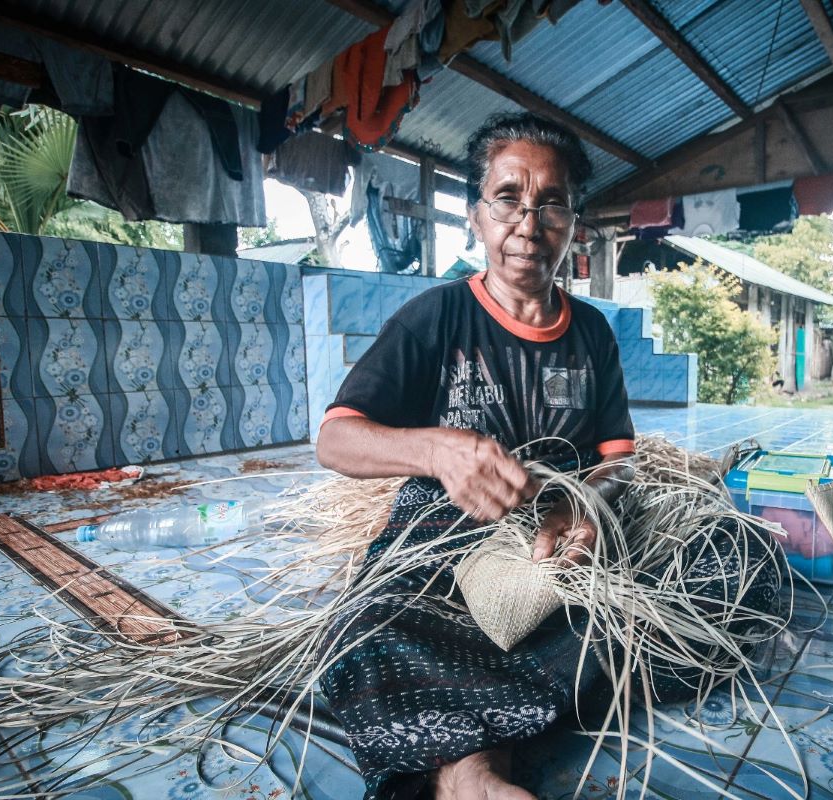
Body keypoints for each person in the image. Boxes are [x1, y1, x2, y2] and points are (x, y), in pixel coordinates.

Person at [315, 113, 776, 800]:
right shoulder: (434, 318)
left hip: (564, 545)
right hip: (445, 545)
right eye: (507, 198)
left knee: (737, 561)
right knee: (365, 628)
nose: (527, 224)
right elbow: (335, 439)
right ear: (478, 216)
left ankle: (469, 752)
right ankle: (473, 773)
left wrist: (582, 506)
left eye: (551, 202)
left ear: (573, 225)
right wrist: (437, 450)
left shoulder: (590, 332)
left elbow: (618, 455)